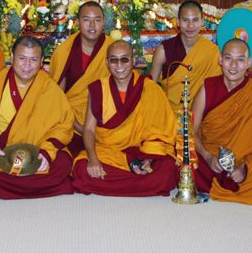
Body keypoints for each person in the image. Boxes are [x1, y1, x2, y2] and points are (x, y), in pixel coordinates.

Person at [0, 36, 74, 199]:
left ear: (41, 62)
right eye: (22, 58)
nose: (27, 65)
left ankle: (6, 186)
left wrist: (46, 152)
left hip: (37, 151)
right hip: (3, 154)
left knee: (63, 163)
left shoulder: (49, 88)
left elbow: (64, 125)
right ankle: (34, 187)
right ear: (11, 58)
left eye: (33, 59)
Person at [192, 38, 252, 204]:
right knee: (182, 163)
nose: (233, 66)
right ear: (220, 60)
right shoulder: (207, 88)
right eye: (229, 58)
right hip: (210, 154)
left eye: (240, 60)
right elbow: (191, 131)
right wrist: (208, 157)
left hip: (245, 158)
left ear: (248, 62)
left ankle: (239, 176)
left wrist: (245, 168)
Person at [72, 40, 178, 196]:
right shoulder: (98, 89)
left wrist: (148, 159)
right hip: (109, 152)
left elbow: (158, 132)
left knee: (168, 171)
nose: (119, 65)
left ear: (133, 60)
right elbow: (88, 130)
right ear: (107, 63)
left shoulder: (149, 89)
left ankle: (127, 179)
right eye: (114, 60)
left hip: (142, 151)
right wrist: (93, 158)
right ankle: (140, 182)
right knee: (81, 168)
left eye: (125, 59)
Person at [50, 1, 114, 156]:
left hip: (106, 121)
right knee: (62, 156)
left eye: (97, 20)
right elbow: (57, 99)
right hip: (72, 123)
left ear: (104, 22)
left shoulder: (112, 50)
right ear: (77, 22)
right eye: (86, 20)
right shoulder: (64, 51)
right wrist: (80, 127)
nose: (92, 25)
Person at [150, 0, 221, 112]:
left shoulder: (212, 52)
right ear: (178, 22)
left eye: (195, 20)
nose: (190, 25)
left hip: (201, 113)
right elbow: (150, 87)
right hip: (169, 113)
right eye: (185, 20)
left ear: (202, 21)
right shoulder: (163, 51)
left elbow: (217, 89)